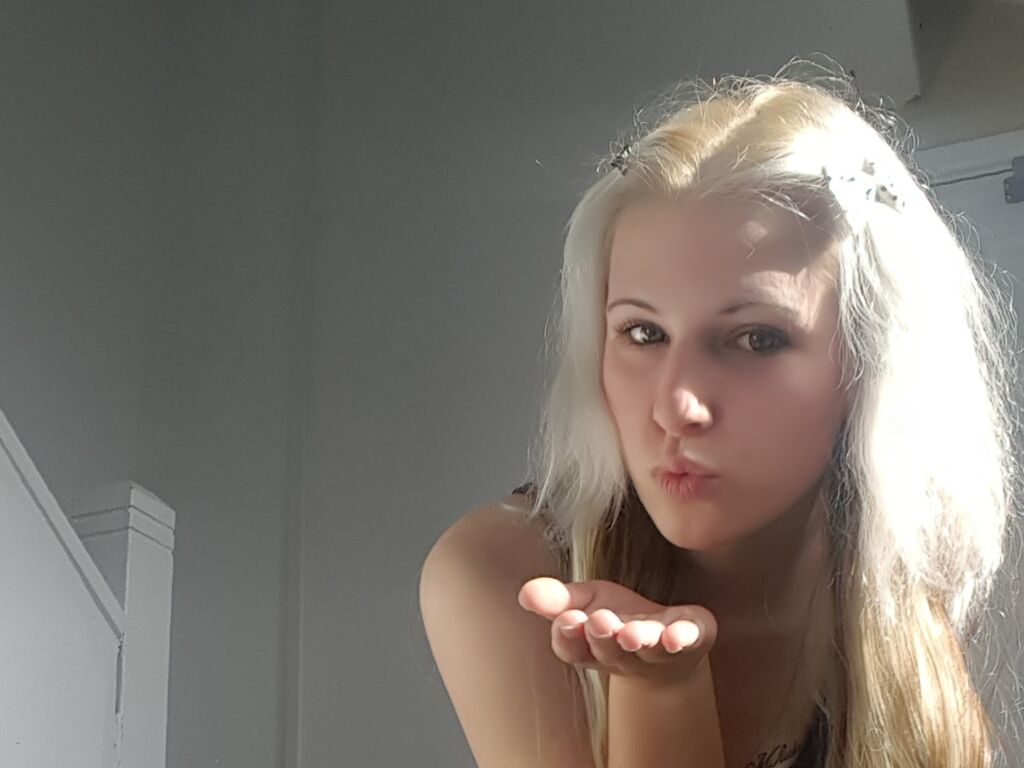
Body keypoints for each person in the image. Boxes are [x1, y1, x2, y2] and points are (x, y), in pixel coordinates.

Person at [419, 57, 1023, 768]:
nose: (677, 406)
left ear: (874, 362)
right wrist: (659, 690)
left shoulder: (895, 566)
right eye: (643, 333)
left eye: (756, 339)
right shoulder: (504, 572)